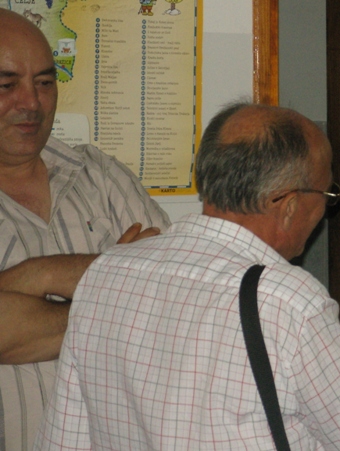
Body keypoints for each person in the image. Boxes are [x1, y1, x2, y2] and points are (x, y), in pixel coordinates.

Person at [34, 102, 340, 450]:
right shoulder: (289, 302)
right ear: (289, 206)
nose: (324, 212)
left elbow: (66, 438)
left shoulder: (108, 273)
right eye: (327, 196)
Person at [0, 8, 170, 450]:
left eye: (44, 82)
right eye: (6, 85)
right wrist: (104, 277)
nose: (31, 103)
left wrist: (38, 281)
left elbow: (175, 296)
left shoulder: (99, 175)